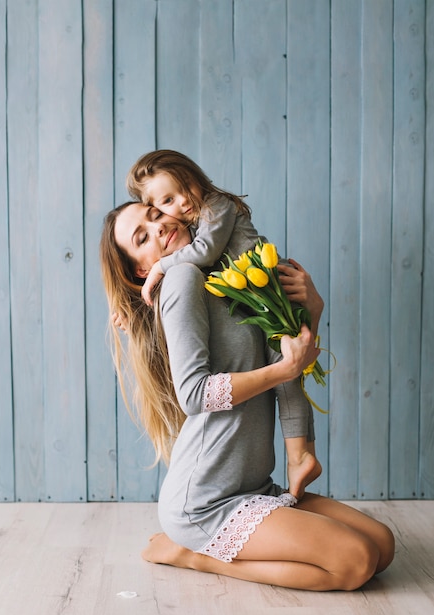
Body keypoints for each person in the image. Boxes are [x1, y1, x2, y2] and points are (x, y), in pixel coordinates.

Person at [99, 201, 395, 591]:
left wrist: (312, 311)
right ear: (142, 268)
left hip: (255, 485)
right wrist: (282, 370)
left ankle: (204, 548)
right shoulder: (182, 277)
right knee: (355, 563)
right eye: (142, 237)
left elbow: (288, 361)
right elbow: (194, 394)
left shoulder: (237, 274)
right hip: (206, 499)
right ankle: (192, 554)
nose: (158, 229)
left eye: (155, 216)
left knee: (382, 547)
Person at [125, 149, 322, 498]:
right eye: (168, 201)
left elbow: (204, 252)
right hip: (261, 297)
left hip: (269, 293)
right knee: (287, 374)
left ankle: (300, 454)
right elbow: (193, 386)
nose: (183, 202)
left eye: (185, 187)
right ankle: (299, 455)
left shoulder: (216, 209)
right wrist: (134, 312)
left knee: (289, 378)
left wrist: (159, 267)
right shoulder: (187, 274)